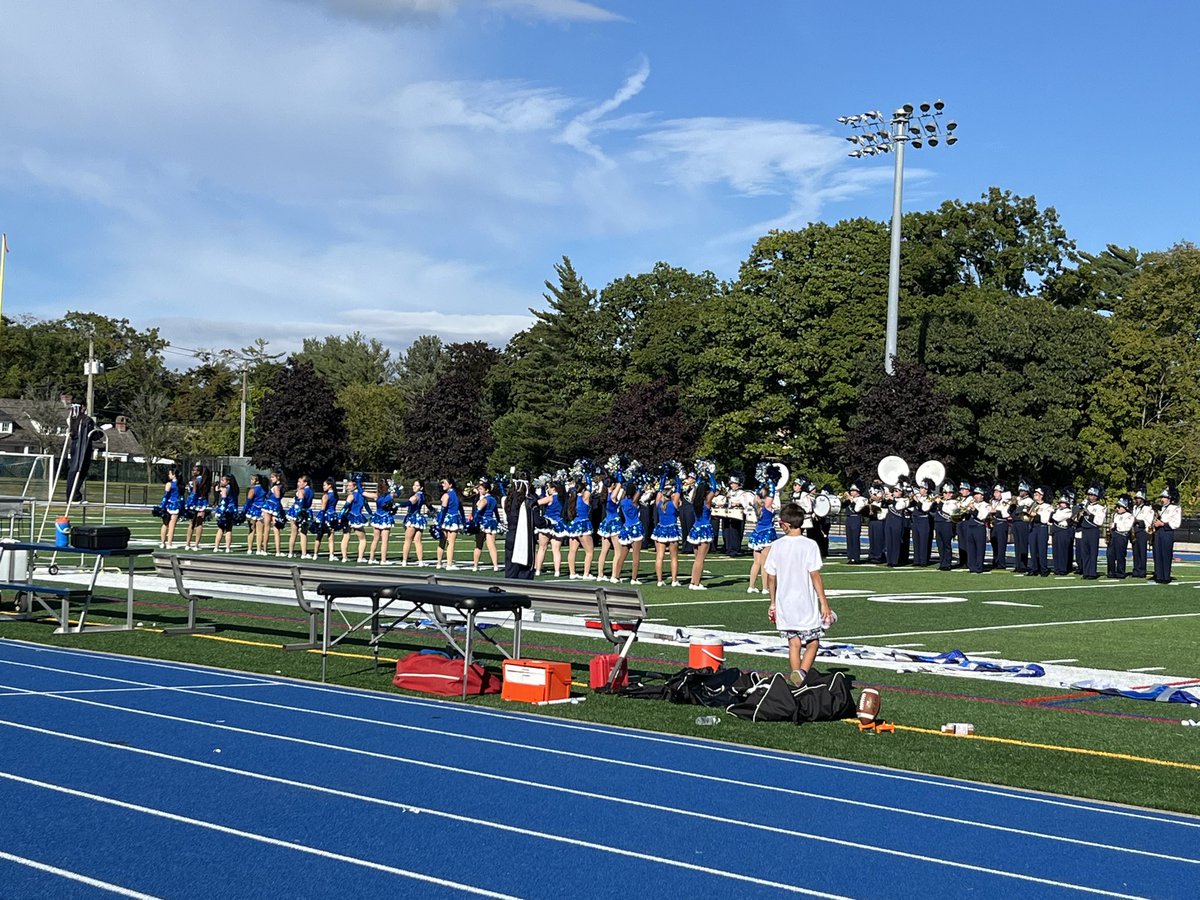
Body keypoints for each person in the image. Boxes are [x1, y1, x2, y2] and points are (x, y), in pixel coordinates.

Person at [765, 502, 833, 688]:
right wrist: (824, 603)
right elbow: (815, 575)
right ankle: (802, 673)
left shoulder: (776, 545)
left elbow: (771, 577)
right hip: (805, 603)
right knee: (813, 641)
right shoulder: (809, 545)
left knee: (793, 643)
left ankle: (797, 682)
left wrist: (772, 603)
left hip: (785, 602)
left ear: (786, 524)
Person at [650, 471, 683, 587]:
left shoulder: (658, 503)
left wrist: (663, 476)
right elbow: (679, 489)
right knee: (673, 557)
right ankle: (674, 580)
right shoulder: (674, 503)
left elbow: (659, 490)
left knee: (659, 556)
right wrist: (678, 476)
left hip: (660, 530)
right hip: (672, 530)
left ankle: (659, 581)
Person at [687, 470, 717, 590]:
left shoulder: (694, 500)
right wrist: (710, 474)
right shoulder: (707, 502)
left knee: (697, 559)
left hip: (695, 529)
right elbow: (714, 488)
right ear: (706, 492)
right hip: (704, 530)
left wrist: (700, 476)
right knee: (700, 559)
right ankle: (696, 584)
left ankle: (693, 582)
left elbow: (697, 488)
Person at [612, 480, 645, 584]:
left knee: (622, 555)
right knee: (636, 555)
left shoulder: (622, 501)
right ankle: (634, 579)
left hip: (626, 528)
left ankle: (616, 576)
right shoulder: (634, 502)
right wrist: (642, 481)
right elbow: (639, 491)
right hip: (635, 528)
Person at [746, 483, 778, 593]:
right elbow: (772, 494)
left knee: (756, 562)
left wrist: (761, 483)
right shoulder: (767, 506)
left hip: (756, 533)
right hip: (767, 534)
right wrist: (771, 482)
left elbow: (757, 495)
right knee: (765, 563)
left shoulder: (756, 504)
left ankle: (751, 586)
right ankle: (765, 588)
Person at [563, 477, 594, 579]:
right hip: (583, 525)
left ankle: (572, 573)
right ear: (583, 490)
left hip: (574, 525)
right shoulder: (585, 497)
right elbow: (590, 488)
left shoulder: (573, 498)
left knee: (572, 550)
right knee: (589, 551)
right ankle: (586, 574)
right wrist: (587, 477)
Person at [594, 474, 623, 581]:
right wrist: (620, 477)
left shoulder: (604, 494)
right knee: (618, 551)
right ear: (613, 484)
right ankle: (614, 576)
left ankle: (600, 575)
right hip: (614, 522)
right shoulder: (612, 495)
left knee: (604, 551)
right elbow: (619, 485)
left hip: (606, 522)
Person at [533, 479, 565, 577]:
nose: (548, 489)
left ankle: (538, 570)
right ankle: (557, 571)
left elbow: (536, 502)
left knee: (542, 548)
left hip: (548, 523)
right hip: (558, 523)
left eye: (549, 488)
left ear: (553, 488)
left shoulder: (550, 498)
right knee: (556, 550)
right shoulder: (562, 498)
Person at [471, 478, 502, 572]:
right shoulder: (493, 499)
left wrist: (474, 521)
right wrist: (499, 522)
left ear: (487, 490)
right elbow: (496, 512)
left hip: (482, 523)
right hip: (491, 523)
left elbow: (478, 511)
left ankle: (475, 566)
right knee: (492, 545)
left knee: (478, 545)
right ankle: (495, 566)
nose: (479, 490)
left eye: (481, 489)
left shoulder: (484, 500)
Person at [1152, 488, 1182, 584]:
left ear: (1169, 498)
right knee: (1158, 553)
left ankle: (1166, 576)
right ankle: (1159, 575)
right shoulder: (1161, 508)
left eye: (1164, 497)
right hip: (1158, 532)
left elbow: (1176, 523)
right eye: (1162, 497)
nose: (1162, 499)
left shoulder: (1175, 508)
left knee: (1166, 554)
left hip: (1167, 532)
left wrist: (1163, 524)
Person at [339, 474, 371, 563]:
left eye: (349, 486)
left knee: (346, 537)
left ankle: (344, 557)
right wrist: (371, 514)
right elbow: (367, 507)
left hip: (349, 517)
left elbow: (344, 508)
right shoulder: (362, 496)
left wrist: (339, 516)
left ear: (355, 486)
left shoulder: (351, 496)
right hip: (357, 518)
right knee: (362, 539)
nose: (347, 488)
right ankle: (360, 558)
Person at [435, 476, 465, 569]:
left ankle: (439, 563)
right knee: (451, 543)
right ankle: (449, 564)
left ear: (450, 485)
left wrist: (439, 521)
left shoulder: (446, 495)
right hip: (454, 519)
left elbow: (443, 510)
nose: (442, 485)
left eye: (445, 483)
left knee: (442, 541)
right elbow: (461, 509)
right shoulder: (457, 495)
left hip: (446, 519)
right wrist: (463, 520)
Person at [1077, 485, 1105, 580]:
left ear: (1096, 496)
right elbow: (1078, 519)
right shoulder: (1086, 505)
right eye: (1089, 495)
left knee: (1093, 552)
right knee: (1084, 552)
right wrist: (1080, 513)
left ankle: (1092, 573)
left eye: (1092, 495)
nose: (1090, 497)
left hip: (1093, 530)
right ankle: (1086, 572)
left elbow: (1099, 521)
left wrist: (1088, 512)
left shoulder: (1100, 508)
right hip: (1084, 530)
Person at [182, 464, 212, 551]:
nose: (192, 472)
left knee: (192, 522)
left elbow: (194, 492)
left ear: (198, 472)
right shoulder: (204, 480)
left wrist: (190, 502)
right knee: (199, 523)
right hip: (202, 502)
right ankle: (196, 545)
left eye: (194, 470)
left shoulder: (195, 480)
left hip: (194, 502)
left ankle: (187, 544)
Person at [368, 479, 397, 565]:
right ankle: (383, 560)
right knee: (384, 540)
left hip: (377, 517)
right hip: (386, 518)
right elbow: (399, 492)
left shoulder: (376, 495)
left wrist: (358, 482)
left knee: (375, 539)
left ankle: (371, 558)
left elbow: (362, 492)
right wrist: (394, 486)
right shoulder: (390, 496)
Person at [722, 474, 752, 557]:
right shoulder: (729, 492)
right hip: (729, 514)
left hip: (738, 514)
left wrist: (738, 503)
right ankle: (728, 548)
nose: (732, 485)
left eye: (734, 484)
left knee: (735, 532)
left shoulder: (742, 493)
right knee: (727, 531)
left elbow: (746, 504)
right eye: (731, 484)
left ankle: (735, 549)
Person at [400, 479, 428, 566]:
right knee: (418, 541)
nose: (414, 487)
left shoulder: (416, 496)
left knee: (407, 540)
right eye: (414, 485)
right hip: (419, 519)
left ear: (421, 487)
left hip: (412, 518)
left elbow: (409, 502)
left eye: (417, 485)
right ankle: (420, 561)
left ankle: (404, 560)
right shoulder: (423, 496)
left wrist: (397, 504)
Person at [310, 477, 339, 561]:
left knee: (319, 535)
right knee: (331, 536)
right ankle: (331, 555)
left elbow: (323, 508)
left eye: (324, 485)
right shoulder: (335, 495)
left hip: (325, 516)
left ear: (330, 485)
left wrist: (319, 518)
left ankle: (315, 554)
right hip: (332, 516)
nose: (323, 487)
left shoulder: (326, 495)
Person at [286, 475, 314, 558]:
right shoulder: (311, 491)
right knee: (303, 533)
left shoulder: (302, 491)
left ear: (305, 483)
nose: (298, 483)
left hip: (297, 512)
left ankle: (290, 553)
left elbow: (300, 502)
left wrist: (299, 512)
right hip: (306, 512)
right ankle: (304, 554)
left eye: (300, 482)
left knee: (294, 533)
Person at [1026, 486, 1052, 577]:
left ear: (1042, 496)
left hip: (1042, 527)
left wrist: (1036, 515)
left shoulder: (1047, 506)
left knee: (1042, 549)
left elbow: (1045, 519)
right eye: (1035, 494)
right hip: (1033, 527)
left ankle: (1043, 569)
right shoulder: (1032, 505)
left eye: (1037, 494)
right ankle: (1034, 568)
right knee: (1033, 549)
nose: (1035, 495)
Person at [1107, 496, 1134, 579]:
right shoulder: (1115, 515)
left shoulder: (1129, 516)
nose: (1117, 508)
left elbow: (1127, 527)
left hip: (1122, 536)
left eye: (1119, 507)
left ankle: (1120, 572)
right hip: (1114, 535)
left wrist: (1116, 525)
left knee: (1120, 555)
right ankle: (1111, 572)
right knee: (1110, 554)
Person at [933, 482, 958, 570]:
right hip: (938, 523)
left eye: (950, 493)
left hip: (947, 524)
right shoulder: (941, 501)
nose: (947, 494)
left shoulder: (954, 502)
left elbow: (949, 511)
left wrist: (939, 503)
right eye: (945, 493)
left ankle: (947, 564)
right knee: (940, 545)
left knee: (946, 544)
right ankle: (942, 562)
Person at [211, 473, 240, 552]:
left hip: (225, 510)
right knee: (228, 529)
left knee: (222, 528)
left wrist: (220, 510)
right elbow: (217, 489)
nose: (221, 481)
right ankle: (227, 548)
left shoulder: (226, 488)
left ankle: (216, 547)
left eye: (223, 480)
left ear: (228, 481)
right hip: (231, 509)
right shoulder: (233, 488)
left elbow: (223, 499)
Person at [1130, 487, 1153, 579]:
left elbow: (1148, 521)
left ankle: (1142, 571)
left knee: (1142, 551)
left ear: (1142, 499)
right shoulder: (1134, 508)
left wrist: (1138, 520)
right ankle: (1136, 570)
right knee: (1135, 552)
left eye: (1138, 498)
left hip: (1142, 531)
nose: (1136, 500)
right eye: (1136, 498)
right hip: (1135, 530)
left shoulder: (1147, 508)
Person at [158, 466, 183, 549]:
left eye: (170, 474)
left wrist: (162, 506)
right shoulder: (180, 485)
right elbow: (181, 497)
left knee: (165, 524)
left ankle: (163, 543)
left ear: (174, 475)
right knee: (171, 525)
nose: (168, 475)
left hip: (168, 505)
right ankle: (169, 543)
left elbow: (165, 496)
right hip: (176, 505)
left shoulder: (169, 484)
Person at [242, 474, 266, 555]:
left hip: (253, 510)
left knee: (251, 530)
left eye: (252, 479)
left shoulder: (252, 490)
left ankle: (249, 549)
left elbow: (248, 502)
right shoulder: (263, 488)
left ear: (257, 481)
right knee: (260, 531)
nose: (251, 481)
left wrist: (244, 511)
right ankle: (259, 550)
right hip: (261, 510)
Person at [844, 483, 866, 564]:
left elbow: (856, 509)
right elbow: (843, 506)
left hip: (856, 518)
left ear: (858, 492)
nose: (851, 492)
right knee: (849, 538)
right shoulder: (850, 499)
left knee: (855, 538)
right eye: (851, 491)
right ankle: (850, 557)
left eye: (854, 491)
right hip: (849, 518)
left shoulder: (861, 499)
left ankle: (856, 557)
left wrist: (851, 500)